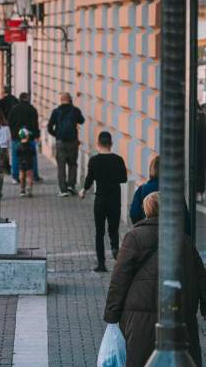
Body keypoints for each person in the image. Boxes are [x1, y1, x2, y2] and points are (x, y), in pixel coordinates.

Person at [104, 192, 206, 367]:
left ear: (147, 211)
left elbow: (119, 279)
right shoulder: (184, 241)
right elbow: (202, 279)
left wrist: (111, 316)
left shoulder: (134, 237)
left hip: (140, 321)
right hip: (179, 319)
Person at [80, 131, 127, 272]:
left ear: (98, 144)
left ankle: (101, 264)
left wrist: (84, 190)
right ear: (111, 144)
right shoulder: (118, 160)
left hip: (100, 200)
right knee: (114, 229)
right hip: (114, 200)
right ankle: (114, 248)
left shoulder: (94, 161)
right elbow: (123, 179)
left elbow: (89, 178)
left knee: (99, 232)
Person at [47, 92, 86, 196]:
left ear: (61, 99)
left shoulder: (56, 111)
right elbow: (82, 121)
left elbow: (49, 127)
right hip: (73, 141)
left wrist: (57, 135)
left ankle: (63, 190)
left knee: (61, 165)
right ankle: (71, 186)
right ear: (70, 99)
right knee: (73, 164)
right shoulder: (75, 110)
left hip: (60, 142)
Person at [8, 92, 41, 183]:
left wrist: (12, 133)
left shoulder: (14, 109)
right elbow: (35, 124)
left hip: (16, 137)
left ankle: (15, 176)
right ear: (27, 98)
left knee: (15, 156)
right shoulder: (32, 109)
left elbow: (9, 122)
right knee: (32, 156)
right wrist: (37, 136)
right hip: (29, 137)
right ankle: (34, 176)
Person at [16, 128, 36, 198]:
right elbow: (33, 153)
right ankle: (29, 189)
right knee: (29, 176)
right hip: (29, 162)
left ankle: (22, 190)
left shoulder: (18, 145)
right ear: (27, 136)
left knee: (21, 176)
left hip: (21, 163)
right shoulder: (31, 145)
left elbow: (17, 154)